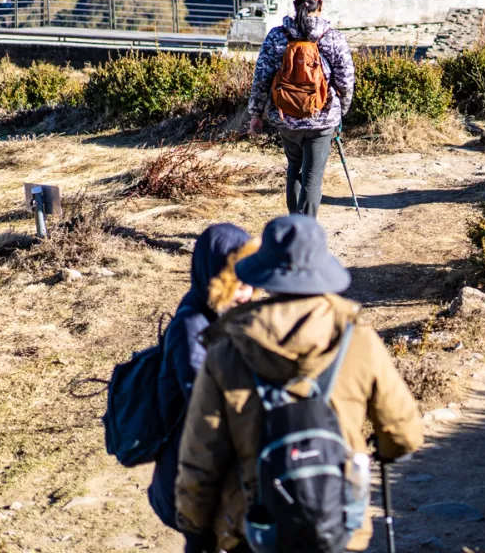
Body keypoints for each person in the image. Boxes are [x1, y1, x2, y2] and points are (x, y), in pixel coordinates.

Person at [176, 215, 424, 553]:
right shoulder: (359, 341)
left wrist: (196, 530)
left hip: (258, 530)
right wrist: (386, 449)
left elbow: (201, 456)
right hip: (338, 527)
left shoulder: (227, 350)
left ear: (264, 273)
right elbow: (404, 434)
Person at [148, 224, 259, 546]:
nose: (245, 291)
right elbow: (205, 401)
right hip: (196, 469)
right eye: (235, 283)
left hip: (223, 467)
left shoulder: (228, 314)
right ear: (213, 278)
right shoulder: (191, 327)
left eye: (249, 281)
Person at [248, 0, 354, 219]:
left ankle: (293, 227)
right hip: (322, 120)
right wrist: (341, 111)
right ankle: (305, 233)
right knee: (312, 178)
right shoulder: (333, 38)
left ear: (294, 5)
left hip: (287, 117)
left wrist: (256, 114)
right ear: (320, 4)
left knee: (294, 169)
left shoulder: (278, 36)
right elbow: (346, 81)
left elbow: (262, 78)